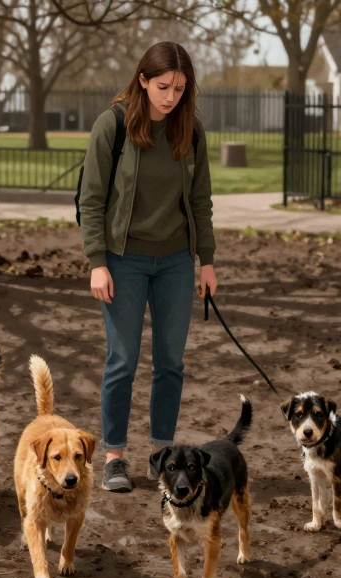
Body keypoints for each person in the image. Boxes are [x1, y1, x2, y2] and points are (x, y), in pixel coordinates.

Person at [78, 41, 215, 491]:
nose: (171, 96)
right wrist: (98, 262)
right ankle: (114, 456)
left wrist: (207, 262)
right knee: (123, 360)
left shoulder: (190, 131)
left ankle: (161, 454)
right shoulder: (112, 125)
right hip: (123, 261)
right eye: (163, 86)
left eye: (179, 87)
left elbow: (200, 201)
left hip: (176, 261)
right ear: (142, 80)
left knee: (171, 363)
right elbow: (92, 199)